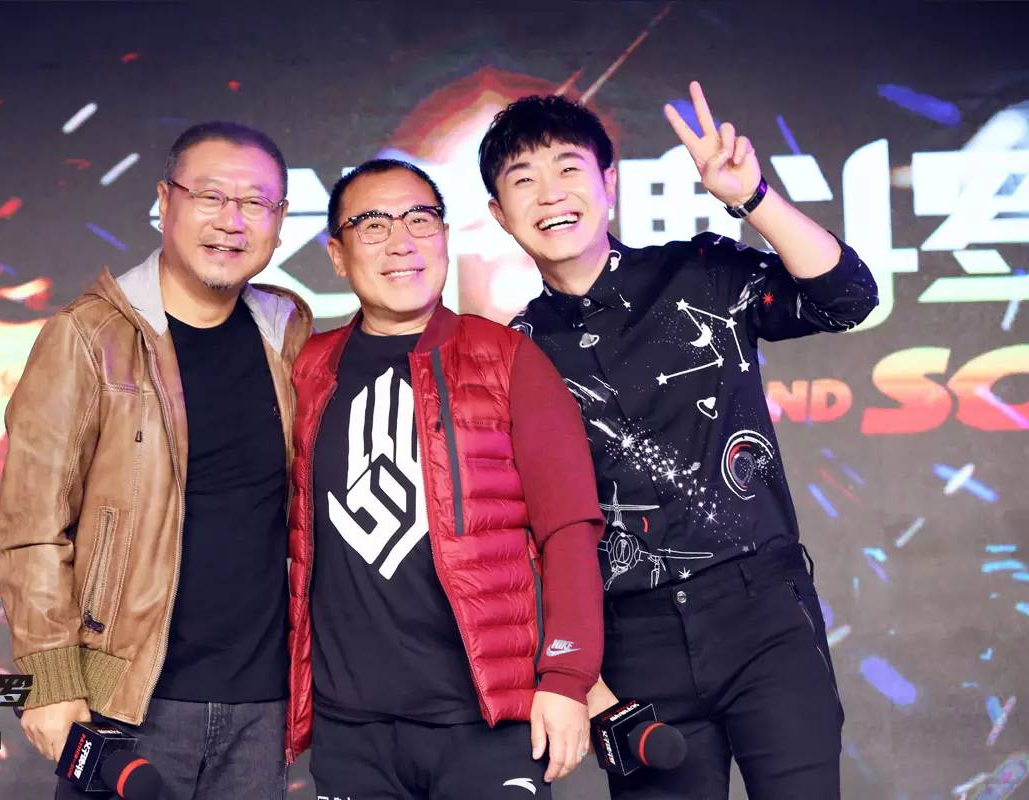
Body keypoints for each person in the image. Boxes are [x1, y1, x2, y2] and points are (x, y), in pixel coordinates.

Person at [479, 84, 879, 798]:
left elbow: (848, 299)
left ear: (609, 183)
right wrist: (584, 679)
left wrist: (752, 197)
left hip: (761, 614)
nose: (550, 193)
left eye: (568, 168)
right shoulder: (514, 355)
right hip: (632, 644)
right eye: (523, 180)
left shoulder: (699, 272)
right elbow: (524, 532)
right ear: (498, 214)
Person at [0, 121, 312, 799]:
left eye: (255, 203)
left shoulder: (286, 331)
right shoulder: (88, 337)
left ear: (280, 220)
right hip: (128, 701)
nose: (232, 221)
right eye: (211, 196)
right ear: (165, 201)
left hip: (261, 710)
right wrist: (50, 680)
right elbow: (30, 526)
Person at [284, 158, 605, 799]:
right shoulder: (306, 370)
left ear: (445, 237)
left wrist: (568, 678)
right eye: (373, 225)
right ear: (337, 255)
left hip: (485, 721)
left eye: (419, 220)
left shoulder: (508, 359)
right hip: (351, 731)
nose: (401, 242)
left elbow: (570, 528)